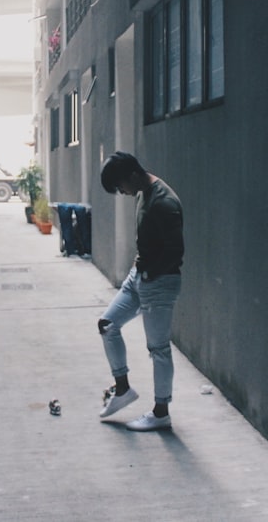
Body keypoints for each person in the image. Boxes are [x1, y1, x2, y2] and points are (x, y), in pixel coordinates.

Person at [97, 152, 184, 431]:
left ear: (133, 176)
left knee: (158, 349)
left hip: (159, 282)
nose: (122, 193)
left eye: (121, 187)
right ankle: (122, 389)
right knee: (107, 325)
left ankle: (161, 413)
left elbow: (175, 252)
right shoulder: (141, 192)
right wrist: (140, 270)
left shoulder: (164, 202)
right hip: (140, 276)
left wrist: (150, 274)